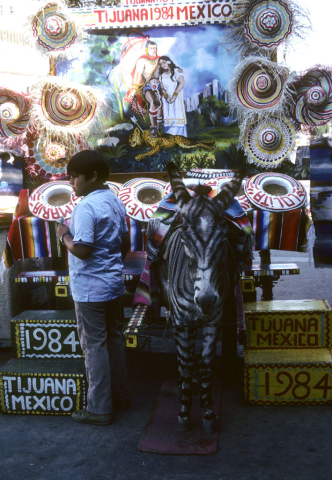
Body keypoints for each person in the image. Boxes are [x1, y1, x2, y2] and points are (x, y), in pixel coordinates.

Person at [57, 150, 130, 426]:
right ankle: (120, 397)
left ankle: (99, 408)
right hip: (111, 284)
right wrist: (109, 267)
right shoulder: (113, 200)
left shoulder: (86, 207)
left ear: (93, 177)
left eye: (75, 177)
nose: (71, 182)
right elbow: (125, 243)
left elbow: (83, 250)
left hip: (90, 290)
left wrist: (64, 235)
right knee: (113, 338)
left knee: (94, 346)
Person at [124, 40, 162, 137]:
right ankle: (153, 129)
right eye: (152, 48)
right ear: (147, 49)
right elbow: (137, 76)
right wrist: (133, 93)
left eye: (155, 48)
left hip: (160, 87)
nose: (154, 50)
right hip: (147, 87)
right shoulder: (142, 60)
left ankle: (158, 128)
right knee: (154, 101)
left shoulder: (160, 60)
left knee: (160, 106)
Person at [158, 56, 187, 137]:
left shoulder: (176, 71)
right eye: (160, 64)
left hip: (176, 99)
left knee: (177, 118)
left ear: (169, 62)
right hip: (167, 101)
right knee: (168, 119)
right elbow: (162, 88)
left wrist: (174, 96)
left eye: (164, 62)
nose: (162, 65)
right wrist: (167, 97)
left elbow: (182, 83)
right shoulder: (161, 76)